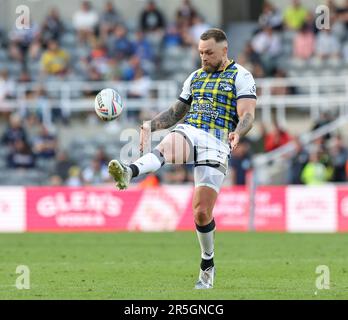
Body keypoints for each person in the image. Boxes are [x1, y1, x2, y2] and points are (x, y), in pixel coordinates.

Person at [107, 29, 257, 289]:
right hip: (191, 130)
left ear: (224, 50)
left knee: (201, 212)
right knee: (169, 145)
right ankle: (129, 171)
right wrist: (150, 126)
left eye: (208, 52)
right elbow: (177, 112)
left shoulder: (241, 76)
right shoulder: (195, 78)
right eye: (200, 52)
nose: (203, 57)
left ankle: (207, 262)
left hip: (218, 140)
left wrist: (238, 132)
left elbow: (247, 115)